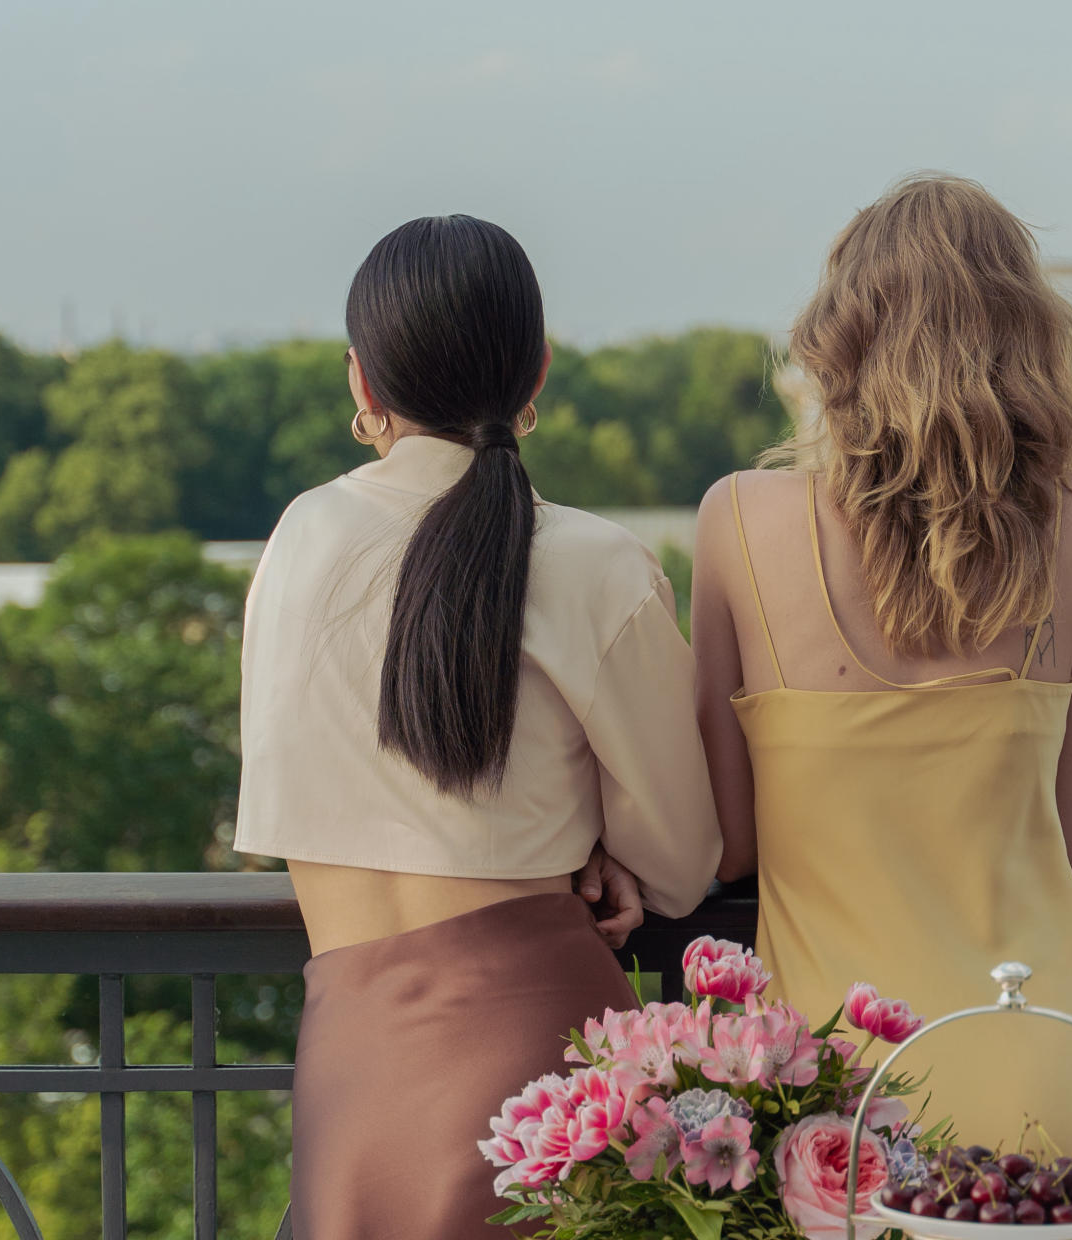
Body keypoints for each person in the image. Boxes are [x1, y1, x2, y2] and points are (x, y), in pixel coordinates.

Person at [234, 215, 721, 1239]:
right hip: (551, 1085)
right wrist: (589, 842)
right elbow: (681, 867)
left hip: (350, 1080)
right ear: (535, 371)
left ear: (361, 384)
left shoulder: (295, 545)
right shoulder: (598, 566)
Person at [691, 174, 1072, 1225]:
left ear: (838, 337)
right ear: (1025, 338)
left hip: (845, 1106)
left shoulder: (737, 521)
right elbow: (1070, 846)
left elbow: (724, 848)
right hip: (1058, 1083)